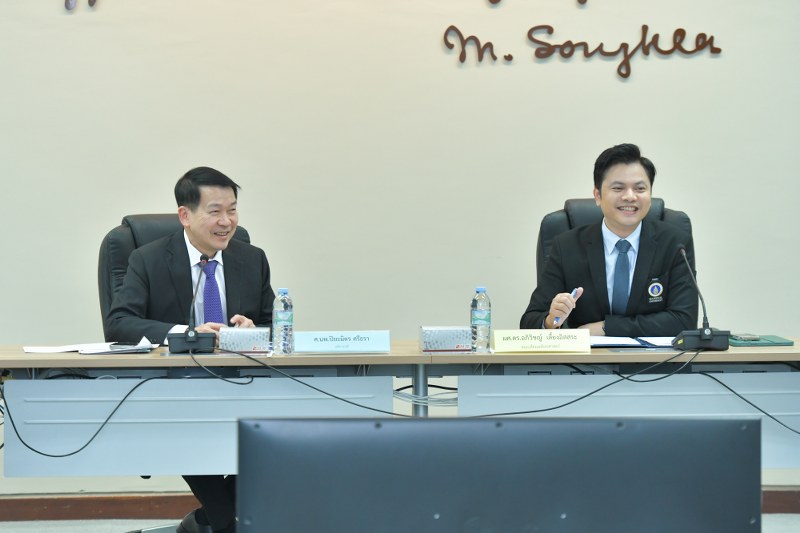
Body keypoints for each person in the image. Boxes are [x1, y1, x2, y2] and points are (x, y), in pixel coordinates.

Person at [106, 167, 275, 533]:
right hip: (176, 392)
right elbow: (119, 322)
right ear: (185, 215)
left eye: (232, 210)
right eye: (215, 211)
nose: (226, 221)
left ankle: (207, 521)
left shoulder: (252, 259)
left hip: (245, 386)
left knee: (284, 431)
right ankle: (222, 521)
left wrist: (254, 330)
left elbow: (275, 326)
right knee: (190, 420)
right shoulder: (148, 259)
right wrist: (186, 333)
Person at [520, 143, 698, 337]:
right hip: (587, 356)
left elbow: (684, 320)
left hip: (654, 356)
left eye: (640, 188)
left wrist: (606, 327)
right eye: (618, 188)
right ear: (598, 196)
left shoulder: (675, 243)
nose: (630, 196)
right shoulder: (567, 246)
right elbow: (530, 321)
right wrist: (551, 320)